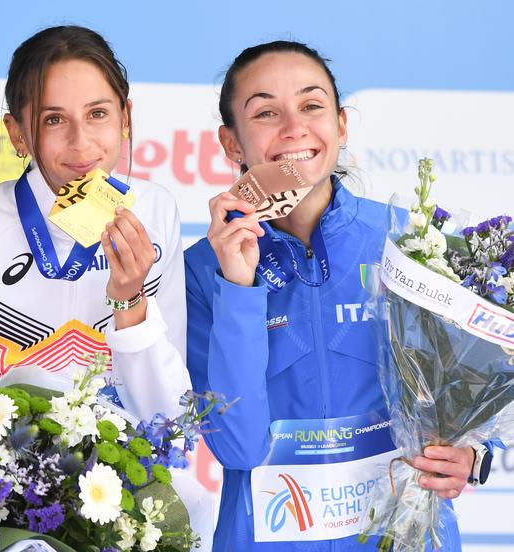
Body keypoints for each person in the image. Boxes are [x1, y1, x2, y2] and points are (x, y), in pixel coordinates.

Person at [0, 25, 192, 539]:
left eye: (98, 114)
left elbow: (168, 417)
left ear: (126, 118)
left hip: (115, 524)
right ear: (17, 133)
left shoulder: (155, 214)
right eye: (54, 119)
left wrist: (130, 302)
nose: (81, 143)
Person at [184, 41, 476, 551]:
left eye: (311, 105)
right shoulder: (201, 269)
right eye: (266, 112)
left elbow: (474, 382)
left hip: (407, 534)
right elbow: (238, 447)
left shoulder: (409, 239)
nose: (293, 127)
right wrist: (238, 286)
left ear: (341, 126)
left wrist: (474, 454)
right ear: (231, 143)